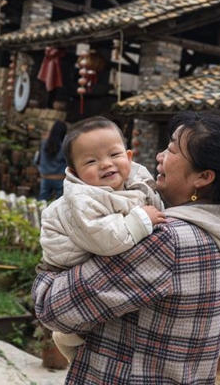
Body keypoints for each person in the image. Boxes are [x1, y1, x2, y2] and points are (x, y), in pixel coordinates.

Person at [33, 111, 220, 384]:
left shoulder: (166, 242)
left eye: (171, 150)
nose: (159, 156)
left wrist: (48, 272)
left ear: (203, 177)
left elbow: (53, 309)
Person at [39, 116, 167, 362]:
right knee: (82, 319)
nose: (105, 164)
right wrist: (142, 219)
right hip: (67, 263)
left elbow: (151, 201)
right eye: (91, 160)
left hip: (94, 254)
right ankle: (67, 337)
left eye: (114, 154)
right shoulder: (81, 198)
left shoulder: (135, 181)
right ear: (75, 172)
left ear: (129, 156)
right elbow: (107, 240)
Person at [38, 120, 68, 201]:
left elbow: (39, 159)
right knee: (60, 203)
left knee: (42, 201)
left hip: (45, 177)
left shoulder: (44, 144)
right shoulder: (64, 147)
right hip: (60, 178)